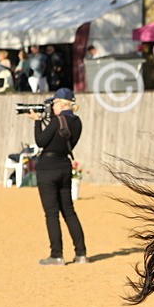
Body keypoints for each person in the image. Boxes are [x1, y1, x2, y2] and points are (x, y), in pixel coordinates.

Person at [28, 88, 88, 265]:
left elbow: (41, 141)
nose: (52, 106)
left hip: (48, 168)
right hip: (64, 166)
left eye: (54, 103)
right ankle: (81, 254)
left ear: (62, 104)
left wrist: (37, 122)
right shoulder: (77, 122)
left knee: (51, 214)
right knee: (69, 212)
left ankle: (56, 255)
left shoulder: (57, 121)